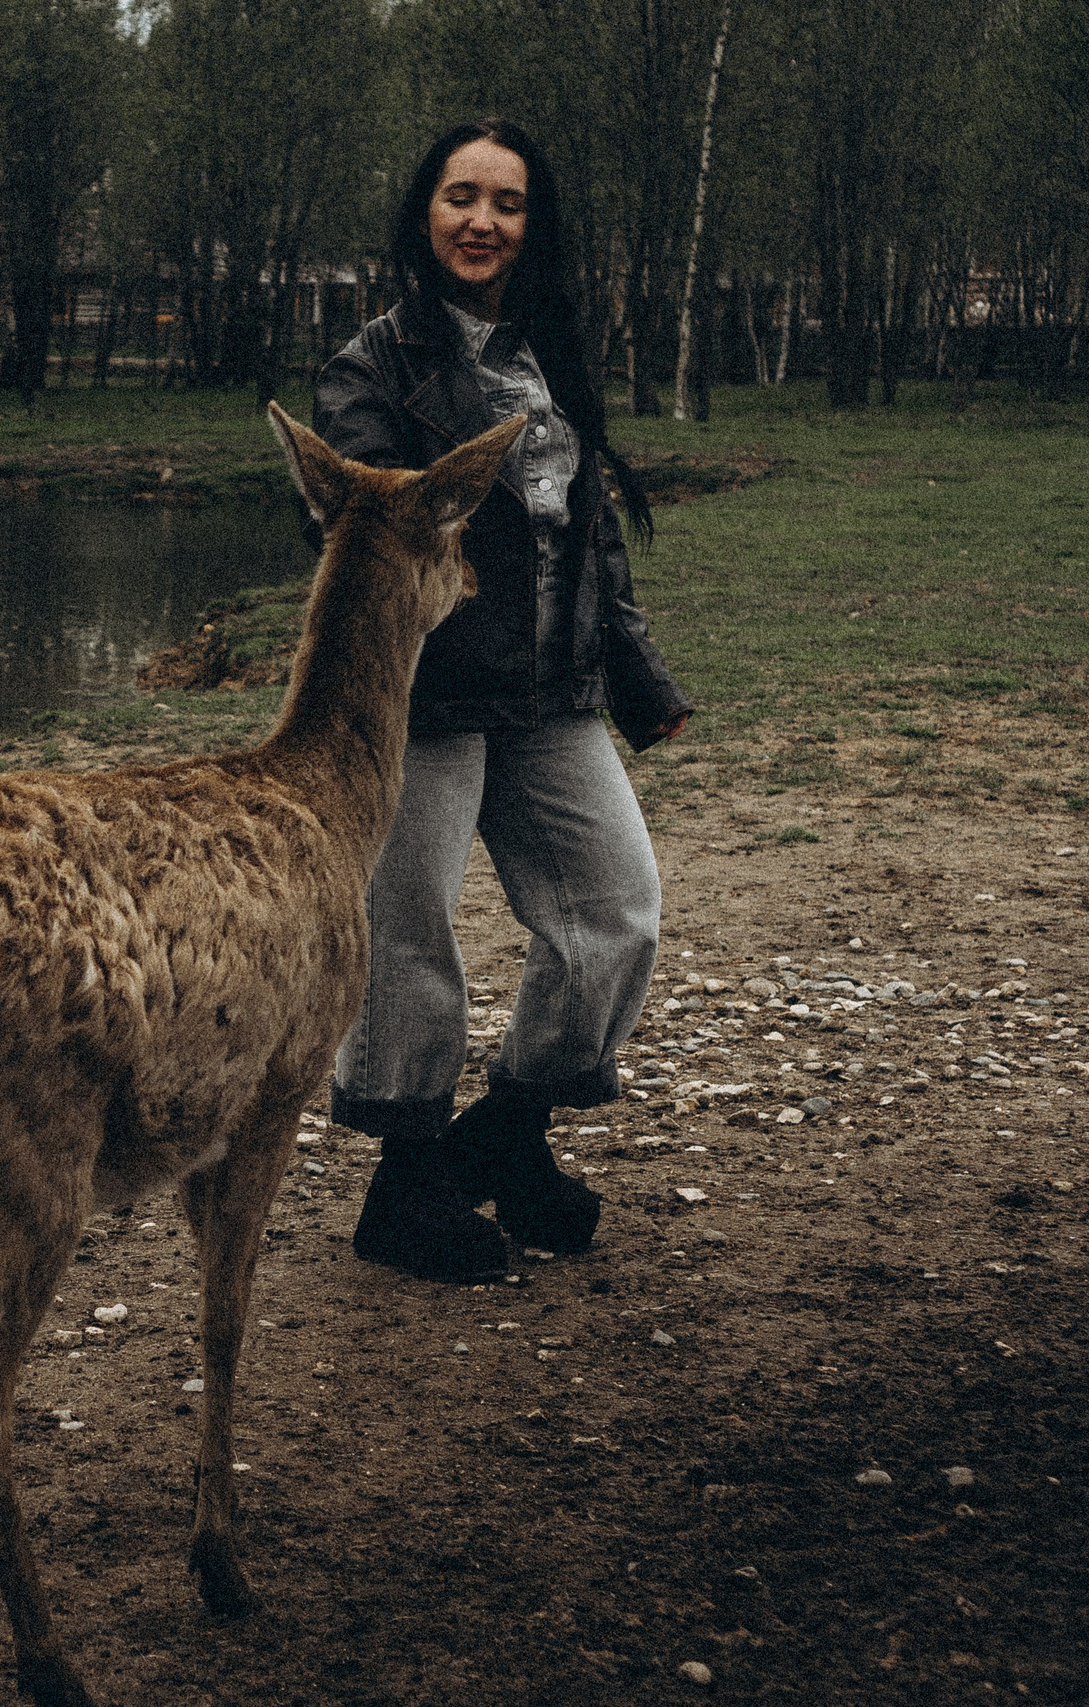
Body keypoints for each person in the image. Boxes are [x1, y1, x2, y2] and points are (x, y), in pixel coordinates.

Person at [311, 117, 693, 1282]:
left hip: (551, 692)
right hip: (417, 697)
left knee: (615, 910)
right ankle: (407, 1183)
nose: (482, 221)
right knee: (408, 936)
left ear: (534, 225)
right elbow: (354, 523)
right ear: (422, 214)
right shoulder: (370, 365)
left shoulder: (544, 349)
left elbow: (585, 531)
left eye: (507, 203)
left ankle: (510, 1131)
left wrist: (633, 669)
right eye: (460, 197)